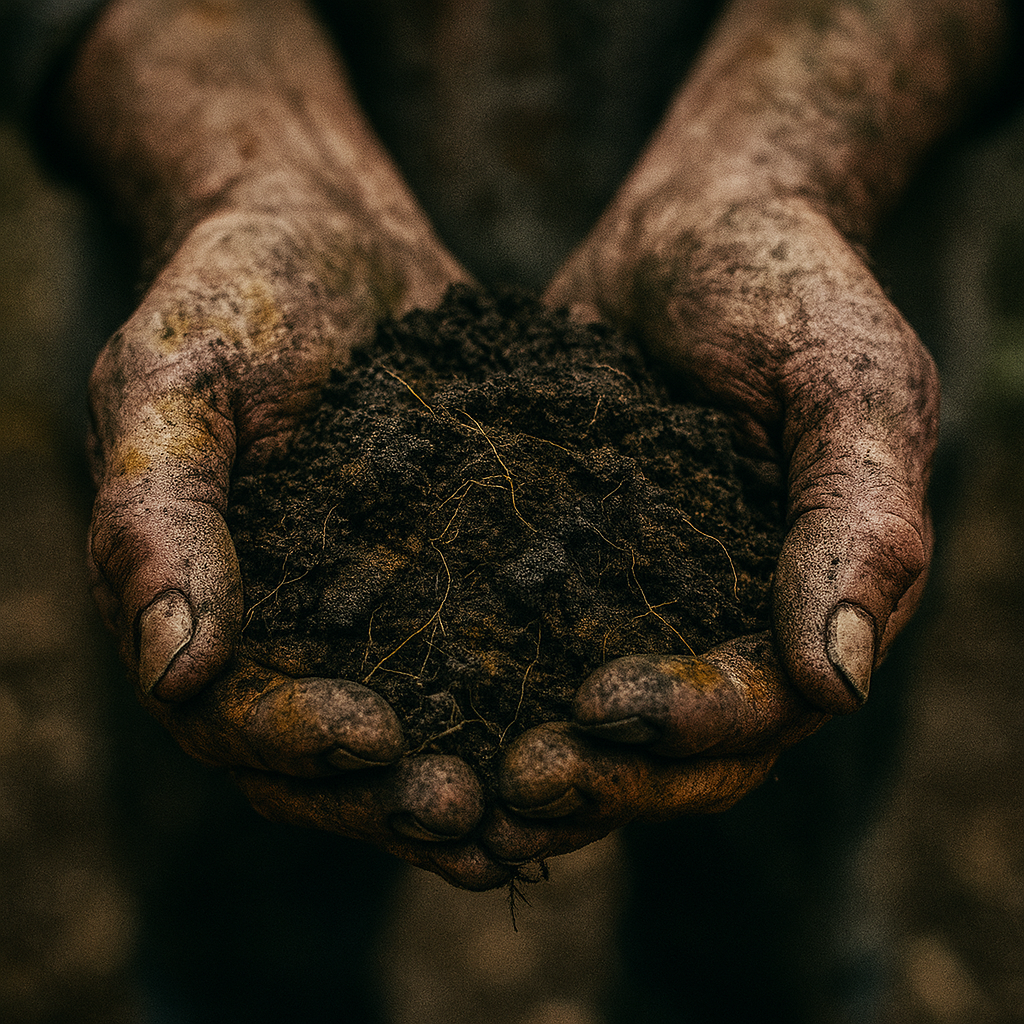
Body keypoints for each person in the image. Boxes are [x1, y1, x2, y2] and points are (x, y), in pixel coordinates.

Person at [1, 0, 1017, 1019]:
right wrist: (234, 167)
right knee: (242, 943)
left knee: (756, 948)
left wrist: (788, 158)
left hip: (784, 378)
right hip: (231, 332)